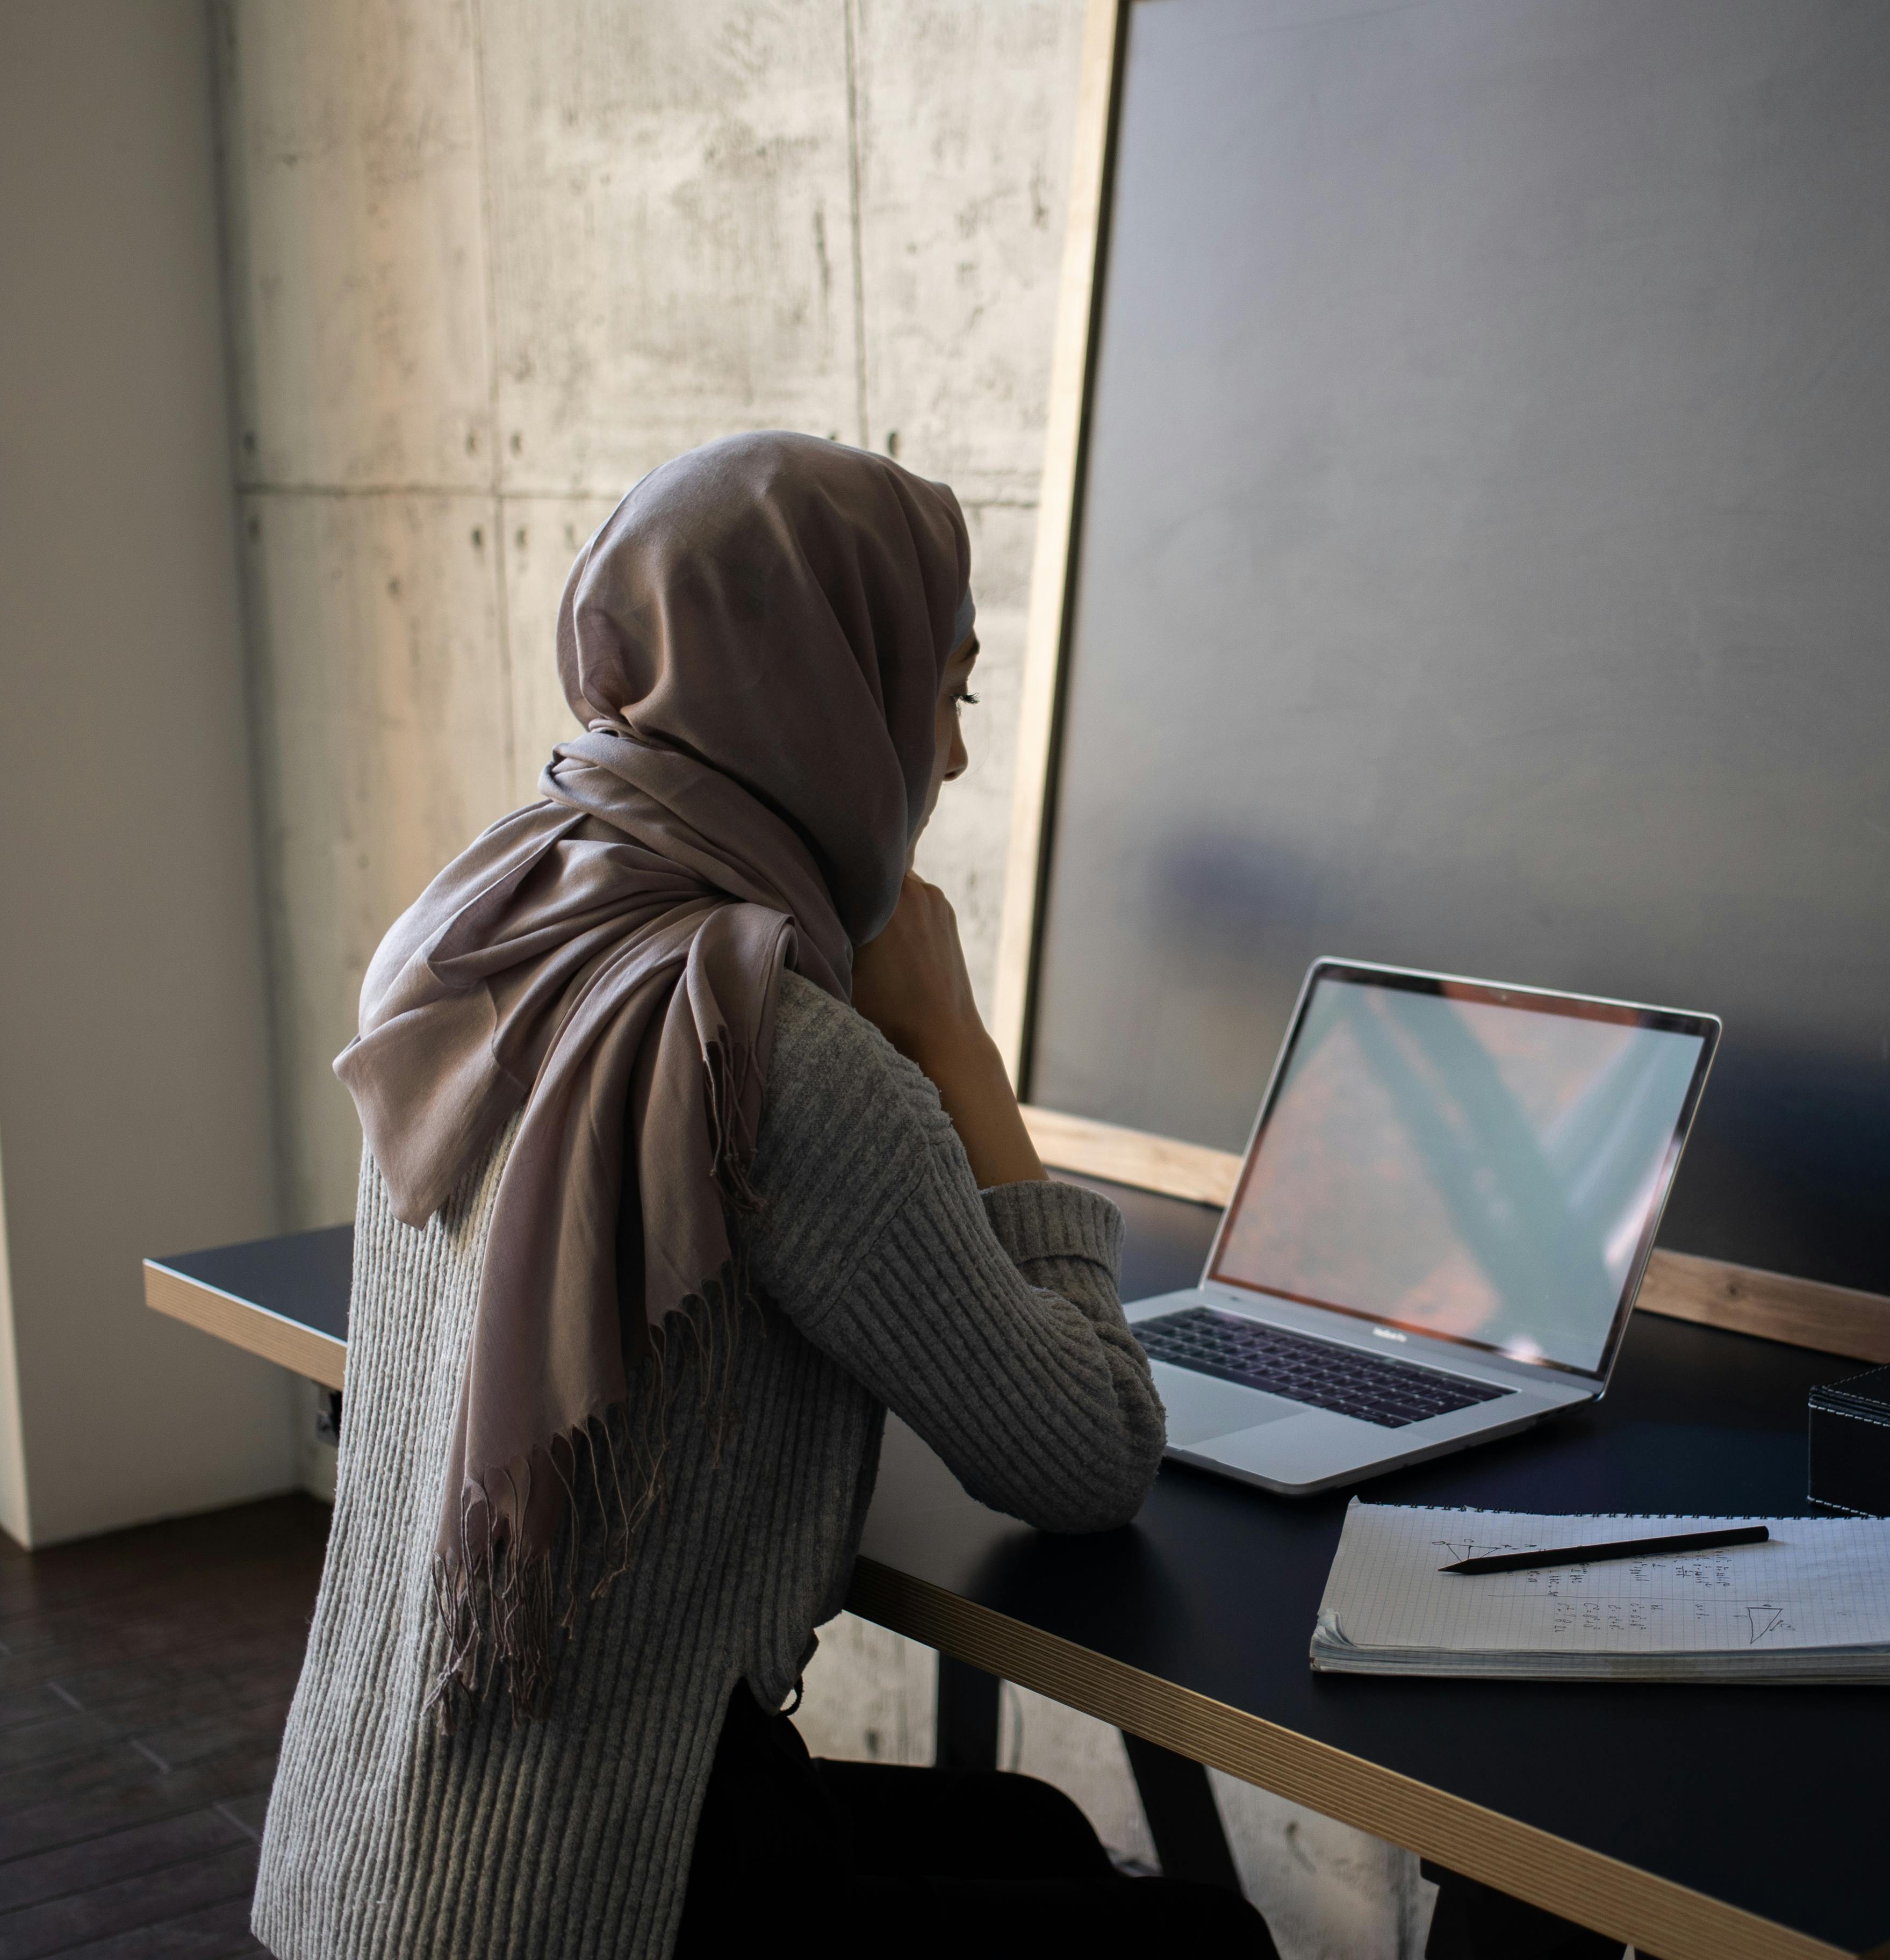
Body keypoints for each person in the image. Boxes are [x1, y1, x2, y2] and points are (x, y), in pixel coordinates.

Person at [250, 431, 1278, 1959]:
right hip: (592, 1896)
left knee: (1044, 1832)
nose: (954, 757)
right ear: (827, 693)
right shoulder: (774, 1051)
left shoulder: (474, 919)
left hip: (364, 1853)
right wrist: (952, 1042)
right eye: (946, 694)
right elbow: (1092, 1452)